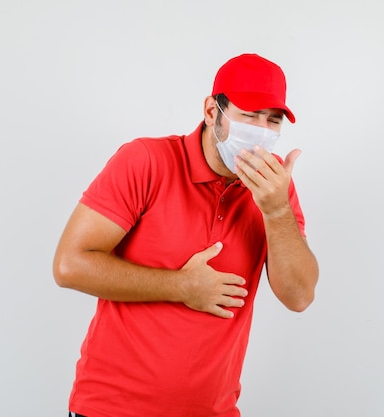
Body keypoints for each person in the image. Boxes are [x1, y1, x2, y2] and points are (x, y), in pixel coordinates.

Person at [53, 53, 319, 417]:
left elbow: (299, 296)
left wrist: (275, 210)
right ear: (212, 112)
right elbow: (69, 265)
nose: (261, 129)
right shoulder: (146, 160)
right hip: (110, 409)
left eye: (272, 121)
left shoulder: (274, 189)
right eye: (249, 115)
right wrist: (182, 286)